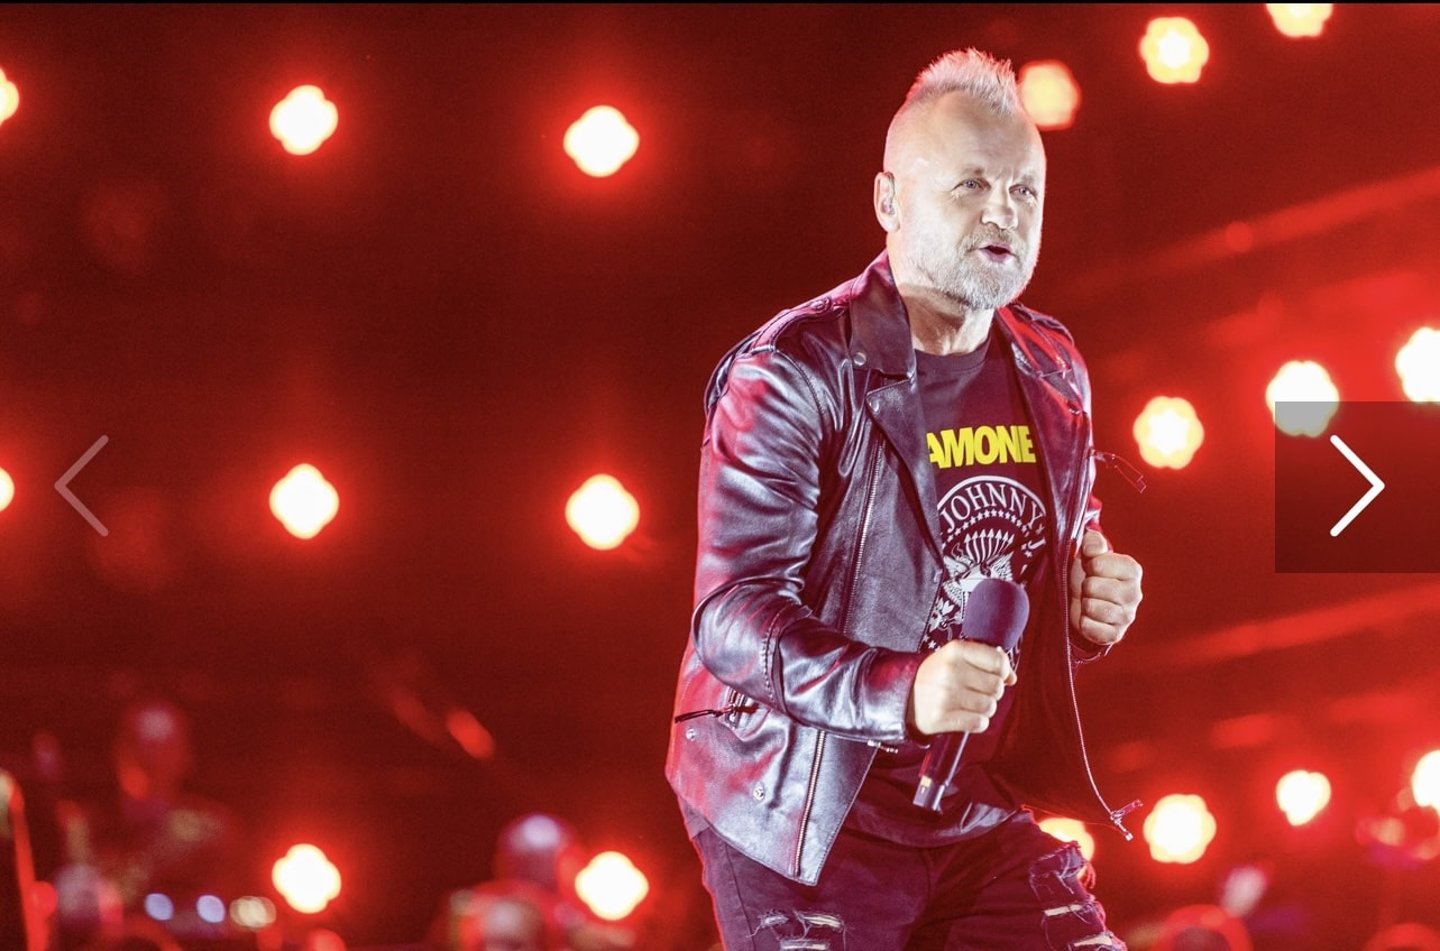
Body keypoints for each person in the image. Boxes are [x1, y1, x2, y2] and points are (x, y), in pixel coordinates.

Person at [665, 48, 1145, 950]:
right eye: (971, 185)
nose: (1004, 211)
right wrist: (906, 690)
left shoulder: (1052, 367)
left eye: (1025, 190)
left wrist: (1089, 610)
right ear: (889, 201)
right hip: (802, 812)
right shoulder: (794, 372)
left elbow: (1046, 564)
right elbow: (731, 618)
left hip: (973, 805)